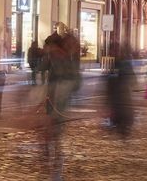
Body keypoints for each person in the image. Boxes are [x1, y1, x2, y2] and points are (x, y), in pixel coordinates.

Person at [42, 33, 82, 181]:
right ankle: (54, 165)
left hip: (57, 101)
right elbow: (76, 81)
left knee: (53, 130)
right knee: (54, 131)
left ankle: (53, 164)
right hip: (56, 100)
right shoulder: (63, 58)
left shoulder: (62, 58)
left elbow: (75, 81)